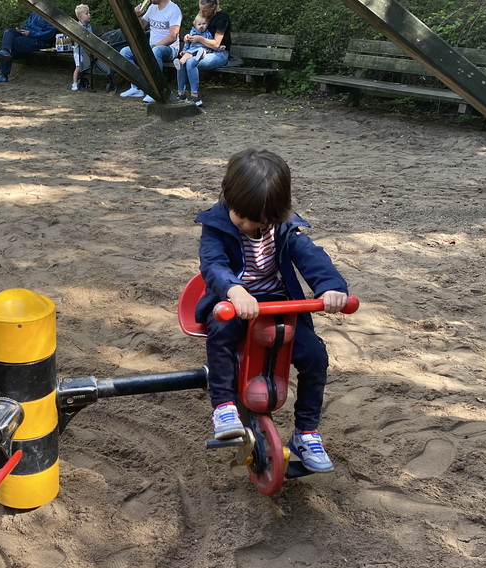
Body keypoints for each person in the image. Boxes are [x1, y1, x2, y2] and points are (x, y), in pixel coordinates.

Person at [195, 148, 349, 473]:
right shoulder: (216, 225)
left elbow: (311, 256)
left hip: (278, 304)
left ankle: (307, 433)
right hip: (233, 304)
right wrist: (234, 291)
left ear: (277, 212)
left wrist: (331, 288)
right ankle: (224, 408)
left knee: (315, 356)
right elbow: (213, 264)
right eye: (242, 216)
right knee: (220, 337)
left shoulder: (284, 228)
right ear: (229, 199)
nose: (250, 224)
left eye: (260, 220)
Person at [119, 0, 182, 103]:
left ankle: (156, 91)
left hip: (170, 49)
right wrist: (137, 15)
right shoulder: (152, 8)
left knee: (156, 51)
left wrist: (152, 46)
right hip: (152, 48)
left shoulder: (174, 9)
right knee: (125, 52)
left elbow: (172, 37)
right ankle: (137, 87)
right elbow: (142, 25)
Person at [176, 0, 231, 105]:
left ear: (213, 7)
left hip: (218, 53)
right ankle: (181, 94)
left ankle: (194, 96)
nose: (201, 13)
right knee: (182, 61)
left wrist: (199, 39)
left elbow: (216, 44)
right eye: (200, 9)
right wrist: (188, 37)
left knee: (191, 62)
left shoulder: (222, 17)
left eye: (204, 11)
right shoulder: (202, 17)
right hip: (197, 51)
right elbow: (195, 31)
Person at [0, 13, 57, 83]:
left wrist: (31, 33)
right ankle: (5, 51)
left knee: (12, 42)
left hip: (37, 40)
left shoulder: (50, 15)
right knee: (8, 31)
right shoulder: (34, 13)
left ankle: (3, 75)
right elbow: (27, 26)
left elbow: (49, 34)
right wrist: (21, 29)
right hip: (26, 36)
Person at [70, 5, 92, 91]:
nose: (89, 15)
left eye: (89, 13)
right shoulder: (78, 27)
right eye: (87, 13)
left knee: (85, 67)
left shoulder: (89, 26)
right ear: (80, 17)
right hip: (78, 51)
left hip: (86, 51)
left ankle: (83, 82)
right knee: (78, 67)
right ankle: (74, 83)